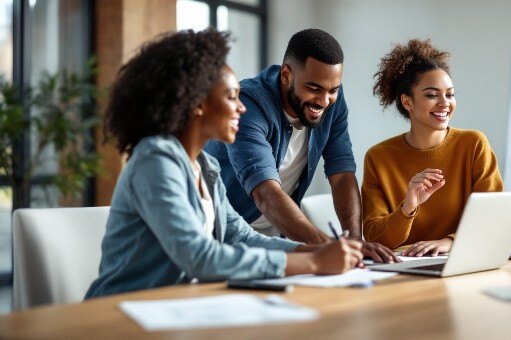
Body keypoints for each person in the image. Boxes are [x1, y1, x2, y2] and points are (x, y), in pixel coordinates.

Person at [86, 29, 362, 298]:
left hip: (178, 309)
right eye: (231, 98)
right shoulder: (155, 161)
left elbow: (241, 236)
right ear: (197, 104)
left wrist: (319, 251)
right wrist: (314, 263)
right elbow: (200, 257)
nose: (241, 108)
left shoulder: (205, 166)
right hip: (122, 311)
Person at [204, 28, 397, 263]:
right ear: (286, 75)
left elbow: (342, 172)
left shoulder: (329, 100)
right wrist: (330, 248)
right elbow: (266, 193)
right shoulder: (248, 106)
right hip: (224, 236)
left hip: (280, 237)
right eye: (314, 89)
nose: (324, 100)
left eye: (333, 90)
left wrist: (355, 242)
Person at [362, 39, 503, 257]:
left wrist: (450, 242)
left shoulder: (473, 144)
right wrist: (408, 207)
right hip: (403, 271)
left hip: (464, 260)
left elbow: (494, 217)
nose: (445, 102)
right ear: (408, 102)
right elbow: (375, 239)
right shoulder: (379, 157)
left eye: (450, 94)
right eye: (431, 95)